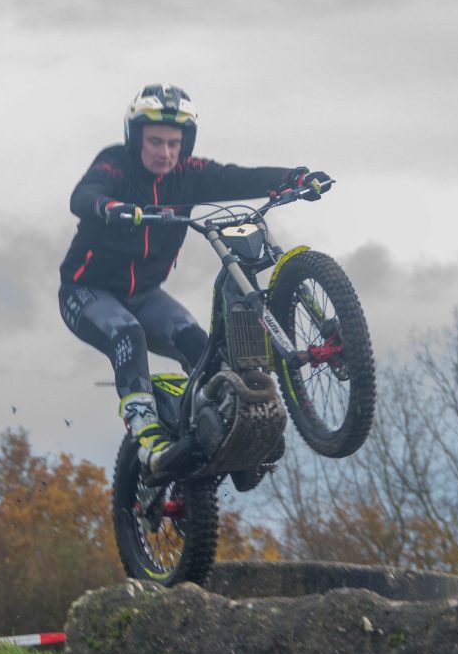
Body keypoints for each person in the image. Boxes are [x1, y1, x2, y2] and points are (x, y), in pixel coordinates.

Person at [58, 84, 330, 470]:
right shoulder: (116, 164)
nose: (165, 153)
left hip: (145, 295)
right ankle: (145, 429)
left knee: (203, 349)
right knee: (128, 333)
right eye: (155, 142)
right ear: (136, 139)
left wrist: (295, 178)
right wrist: (109, 206)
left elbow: (239, 178)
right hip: (86, 292)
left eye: (174, 143)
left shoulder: (189, 173)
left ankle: (221, 431)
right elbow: (83, 195)